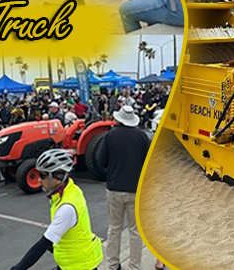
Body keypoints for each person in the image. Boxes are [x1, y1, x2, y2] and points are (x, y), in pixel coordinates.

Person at [9, 150, 104, 270]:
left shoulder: (67, 208)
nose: (38, 180)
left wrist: (17, 268)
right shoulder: (68, 190)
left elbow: (43, 244)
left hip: (79, 265)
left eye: (43, 175)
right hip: (71, 261)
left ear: (58, 177)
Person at [96, 106, 152, 270]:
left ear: (119, 119)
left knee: (114, 229)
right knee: (135, 231)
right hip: (136, 190)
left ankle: (113, 264)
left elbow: (100, 161)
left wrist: (112, 170)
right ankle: (134, 266)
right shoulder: (142, 137)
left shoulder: (110, 136)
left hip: (114, 189)